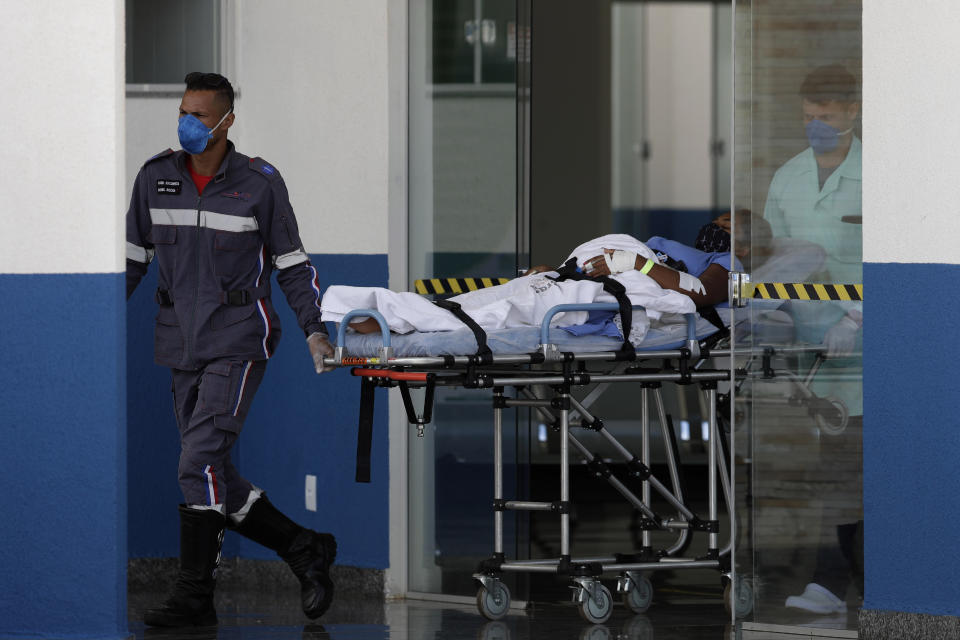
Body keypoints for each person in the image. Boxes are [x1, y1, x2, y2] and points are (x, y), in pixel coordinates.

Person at [125, 72, 337, 628]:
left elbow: (292, 265)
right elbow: (130, 261)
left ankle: (195, 597)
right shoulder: (154, 178)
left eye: (199, 115)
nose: (187, 124)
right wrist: (89, 327)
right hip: (179, 338)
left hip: (239, 335)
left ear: (226, 120)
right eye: (183, 111)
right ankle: (303, 547)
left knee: (195, 462)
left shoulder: (260, 184)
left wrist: (315, 328)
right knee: (209, 468)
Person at [762, 64, 863, 615]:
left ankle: (836, 583)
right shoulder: (789, 178)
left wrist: (859, 318)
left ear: (853, 112)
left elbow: (892, 263)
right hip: (810, 354)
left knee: (856, 466)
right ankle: (833, 583)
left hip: (866, 347)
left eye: (826, 116)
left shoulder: (879, 175)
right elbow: (776, 264)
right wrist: (769, 317)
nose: (816, 126)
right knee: (832, 470)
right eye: (808, 117)